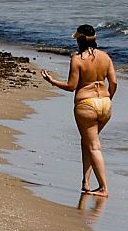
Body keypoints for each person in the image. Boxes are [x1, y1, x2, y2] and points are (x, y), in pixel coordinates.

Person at [41, 25, 118, 197]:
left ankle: (104, 188)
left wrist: (52, 81)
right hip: (105, 103)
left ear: (80, 40)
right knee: (88, 142)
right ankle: (86, 181)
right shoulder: (106, 57)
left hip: (86, 104)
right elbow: (113, 83)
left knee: (93, 146)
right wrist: (108, 98)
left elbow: (71, 86)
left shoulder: (77, 59)